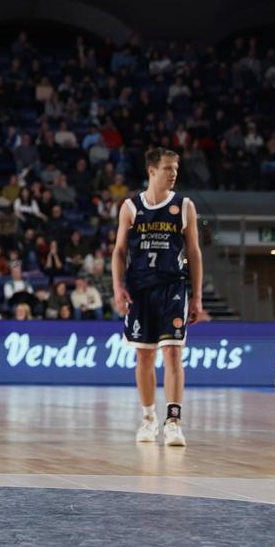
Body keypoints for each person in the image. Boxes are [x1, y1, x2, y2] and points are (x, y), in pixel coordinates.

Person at [112, 147, 203, 448]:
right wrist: (117, 287)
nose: (174, 172)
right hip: (139, 289)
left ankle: (173, 421)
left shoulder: (184, 205)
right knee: (144, 355)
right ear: (152, 171)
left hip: (172, 287)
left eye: (176, 167)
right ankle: (148, 418)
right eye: (167, 168)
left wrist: (198, 295)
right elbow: (119, 251)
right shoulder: (131, 206)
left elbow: (194, 253)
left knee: (173, 353)